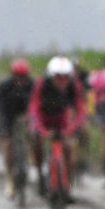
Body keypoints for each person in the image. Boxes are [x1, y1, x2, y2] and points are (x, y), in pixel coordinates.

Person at [28, 56, 86, 197]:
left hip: (61, 120)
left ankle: (67, 186)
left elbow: (81, 111)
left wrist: (71, 129)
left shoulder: (74, 85)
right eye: (57, 77)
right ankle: (41, 174)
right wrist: (41, 130)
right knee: (37, 144)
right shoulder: (41, 84)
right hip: (43, 119)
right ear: (50, 75)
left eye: (65, 77)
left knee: (68, 148)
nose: (61, 81)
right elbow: (33, 109)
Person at [0, 58, 36, 197]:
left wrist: (31, 117)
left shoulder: (32, 84)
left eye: (23, 76)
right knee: (7, 142)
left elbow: (37, 103)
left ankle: (31, 152)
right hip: (7, 114)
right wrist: (2, 125)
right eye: (17, 76)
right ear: (12, 75)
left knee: (33, 132)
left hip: (25, 113)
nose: (20, 80)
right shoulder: (3, 86)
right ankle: (9, 178)